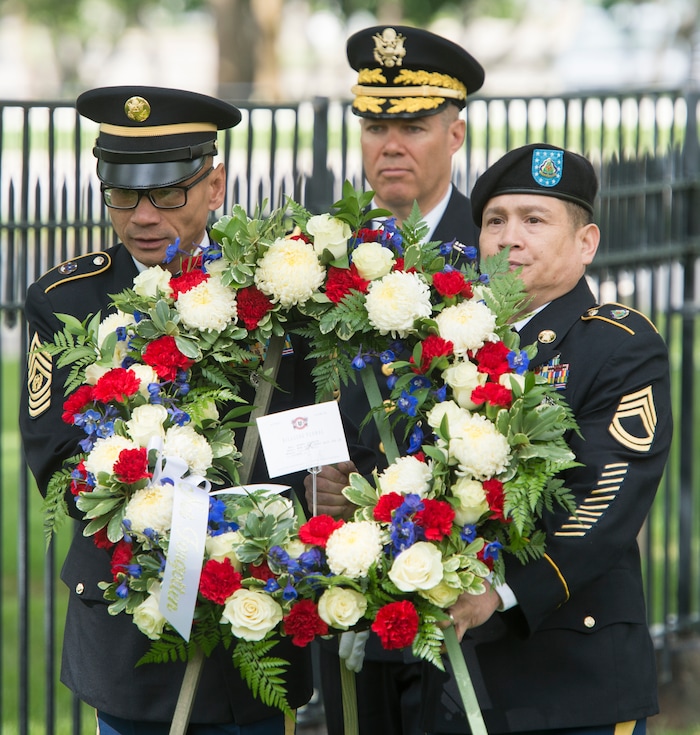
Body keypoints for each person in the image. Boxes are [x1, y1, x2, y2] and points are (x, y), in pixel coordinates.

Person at [19, 85, 313, 734]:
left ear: (215, 186)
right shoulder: (66, 299)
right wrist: (165, 520)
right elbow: (55, 455)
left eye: (167, 192)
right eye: (124, 193)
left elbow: (308, 428)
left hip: (259, 609)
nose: (143, 216)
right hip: (133, 628)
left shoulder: (276, 285)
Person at [419, 143, 672, 735]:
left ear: (586, 243)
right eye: (495, 221)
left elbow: (607, 497)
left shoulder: (617, 343)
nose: (510, 239)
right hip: (452, 676)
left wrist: (500, 592)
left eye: (535, 220)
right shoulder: (448, 343)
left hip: (567, 676)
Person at [304, 25, 486, 735]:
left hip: (459, 586)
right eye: (376, 124)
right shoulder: (321, 257)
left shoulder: (498, 249)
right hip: (349, 579)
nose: (391, 144)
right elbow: (298, 396)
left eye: (412, 124)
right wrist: (308, 477)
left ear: (456, 134)